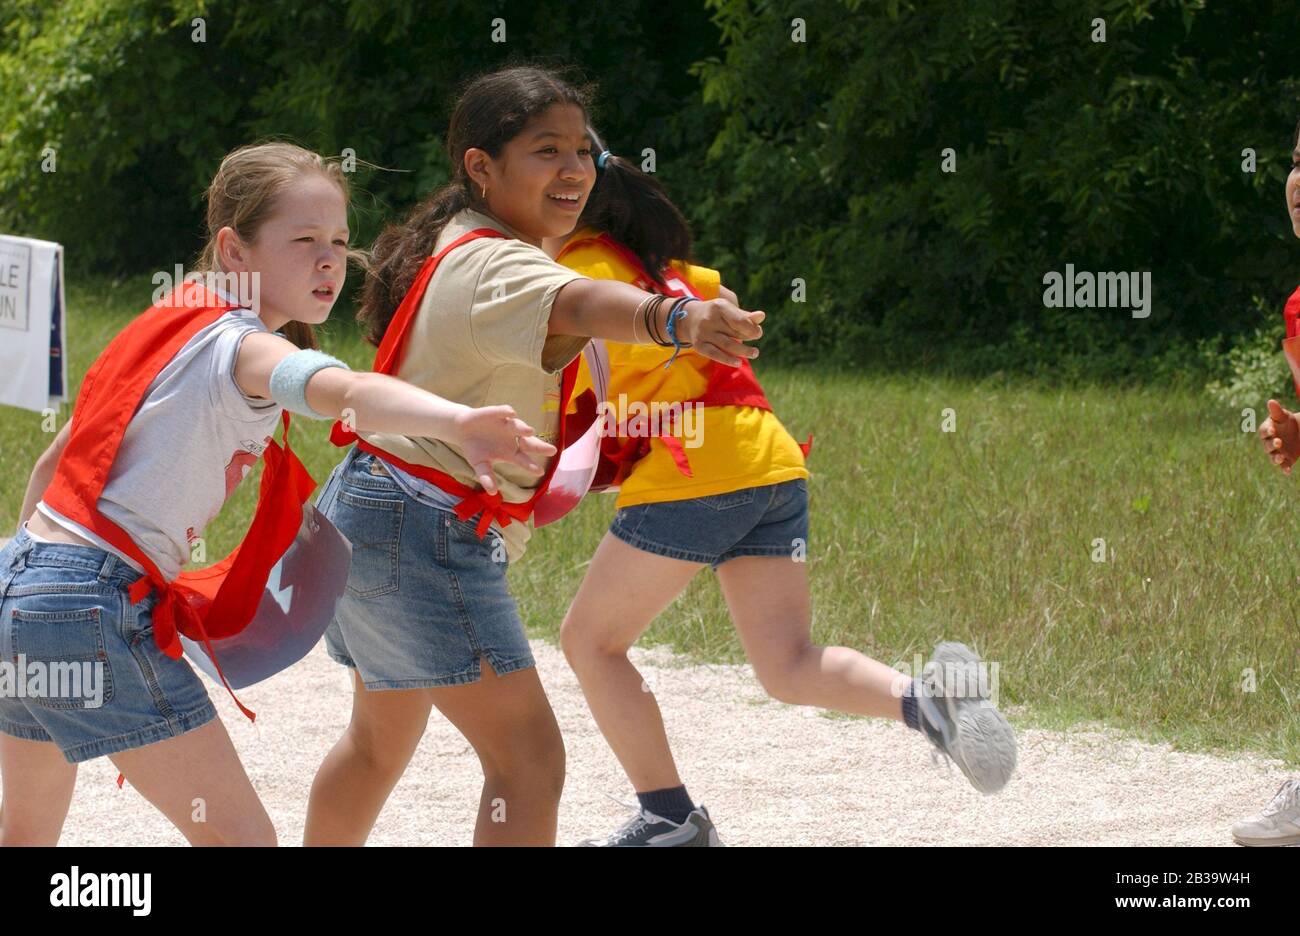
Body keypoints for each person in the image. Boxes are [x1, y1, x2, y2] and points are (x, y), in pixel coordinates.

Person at [0, 141, 546, 846]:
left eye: (340, 241)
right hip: (83, 599)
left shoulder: (161, 322)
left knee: (25, 837)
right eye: (304, 240)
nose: (329, 260)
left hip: (21, 586)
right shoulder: (243, 346)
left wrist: (30, 595)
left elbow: (52, 465)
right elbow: (342, 389)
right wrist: (456, 421)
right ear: (234, 250)